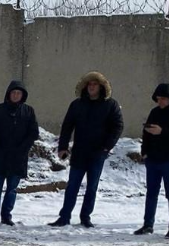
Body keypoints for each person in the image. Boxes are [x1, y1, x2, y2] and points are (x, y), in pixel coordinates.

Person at [48, 71, 123, 228]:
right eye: (89, 84)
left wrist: (106, 146)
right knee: (72, 185)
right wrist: (63, 147)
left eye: (95, 84)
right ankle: (64, 216)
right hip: (80, 151)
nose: (91, 87)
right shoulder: (77, 104)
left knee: (92, 187)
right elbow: (67, 126)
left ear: (101, 87)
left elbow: (117, 126)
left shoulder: (111, 105)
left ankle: (85, 217)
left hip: (98, 152)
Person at [134, 84, 169, 239]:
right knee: (151, 193)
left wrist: (162, 131)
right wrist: (144, 152)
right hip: (153, 158)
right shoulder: (155, 112)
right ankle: (148, 224)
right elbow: (146, 134)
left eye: (163, 99)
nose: (160, 102)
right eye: (158, 99)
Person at [0, 80, 38, 227]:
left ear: (23, 95)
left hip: (18, 158)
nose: (16, 95)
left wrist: (23, 149)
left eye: (19, 93)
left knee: (12, 190)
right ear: (8, 94)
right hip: (0, 156)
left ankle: (6, 216)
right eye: (13, 92)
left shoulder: (28, 111)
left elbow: (33, 133)